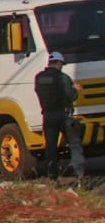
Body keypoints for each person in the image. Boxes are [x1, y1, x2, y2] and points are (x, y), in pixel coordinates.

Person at [35, 51, 85, 182]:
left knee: (51, 149)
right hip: (64, 116)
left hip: (47, 116)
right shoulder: (63, 78)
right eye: (61, 64)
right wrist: (74, 89)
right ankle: (79, 176)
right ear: (58, 63)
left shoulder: (39, 78)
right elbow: (71, 96)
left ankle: (52, 178)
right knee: (74, 145)